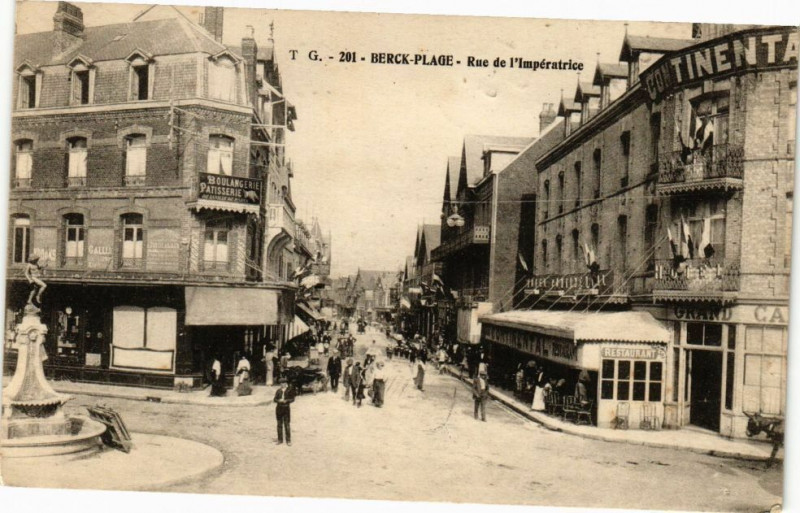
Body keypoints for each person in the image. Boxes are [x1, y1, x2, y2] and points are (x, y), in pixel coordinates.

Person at [274, 378, 295, 446]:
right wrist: (278, 400)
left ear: (286, 383)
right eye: (281, 383)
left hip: (286, 408)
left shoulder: (289, 390)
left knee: (287, 424)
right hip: (279, 409)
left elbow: (292, 399)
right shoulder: (278, 391)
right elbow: (274, 399)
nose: (282, 385)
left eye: (283, 383)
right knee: (279, 424)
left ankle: (288, 440)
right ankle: (280, 440)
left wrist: (286, 401)